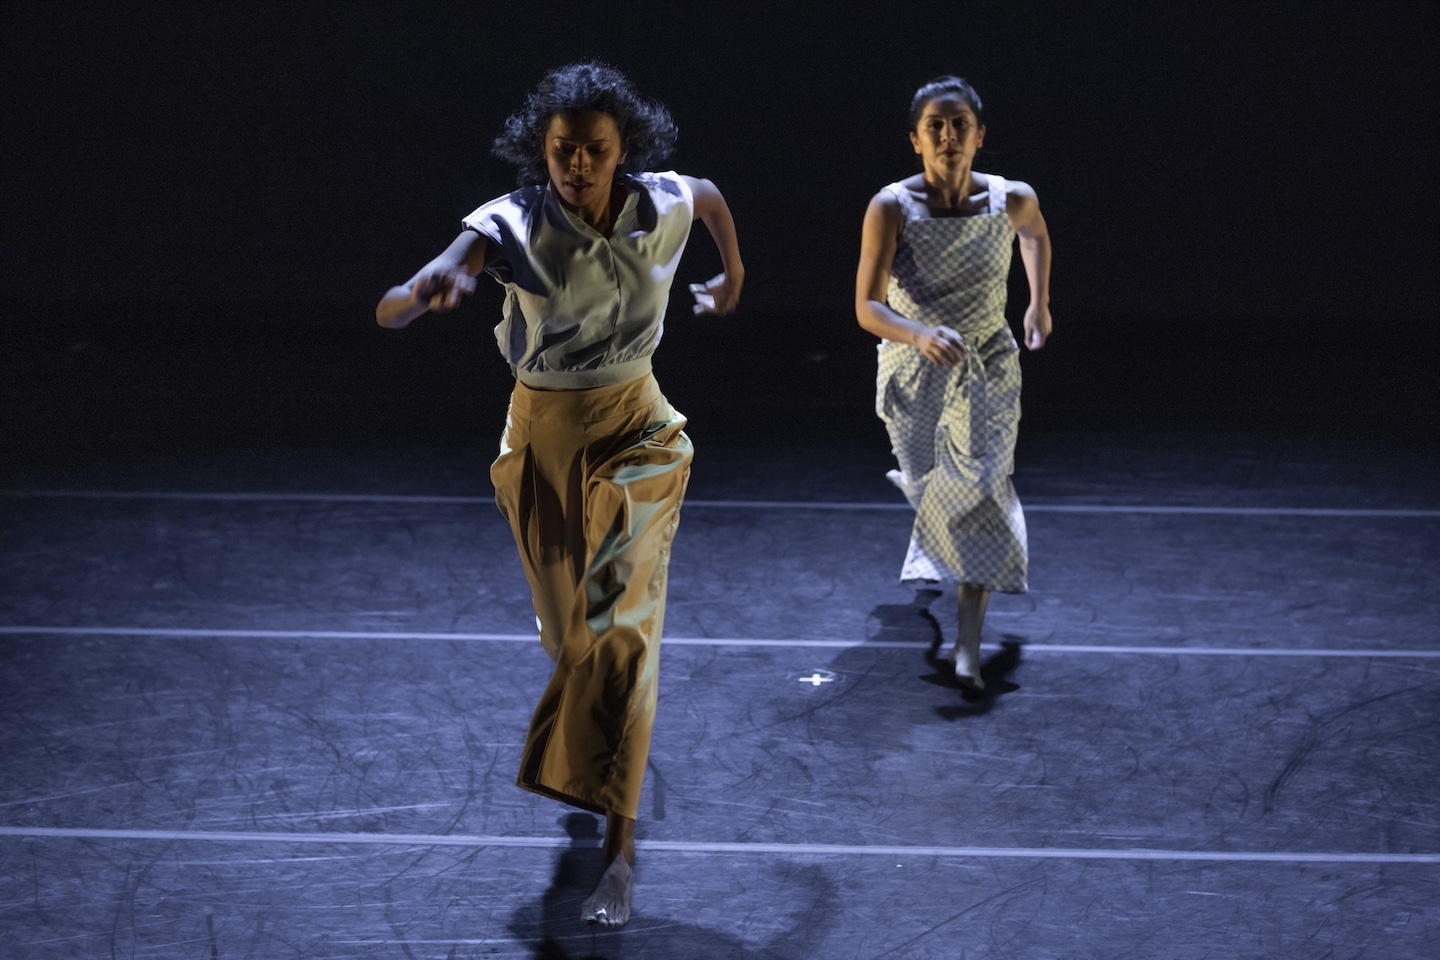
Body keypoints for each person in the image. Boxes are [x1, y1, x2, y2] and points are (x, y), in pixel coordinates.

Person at [376, 62, 743, 928]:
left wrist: (733, 279)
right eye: (561, 150)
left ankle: (619, 854)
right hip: (542, 441)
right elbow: (389, 308)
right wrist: (429, 291)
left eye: (595, 151)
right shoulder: (507, 224)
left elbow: (715, 200)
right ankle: (604, 749)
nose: (576, 165)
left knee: (623, 634)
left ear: (625, 152)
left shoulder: (666, 203)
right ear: (540, 151)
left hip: (641, 432)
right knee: (572, 639)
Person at [854, 75, 1052, 692]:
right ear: (916, 140)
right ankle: (920, 493)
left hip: (987, 361)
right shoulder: (891, 206)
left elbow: (1036, 234)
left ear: (979, 135)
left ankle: (968, 643)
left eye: (958, 123)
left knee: (982, 492)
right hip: (914, 367)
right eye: (934, 126)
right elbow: (866, 306)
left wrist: (1038, 304)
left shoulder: (1010, 198)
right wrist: (917, 335)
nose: (947, 135)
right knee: (928, 480)